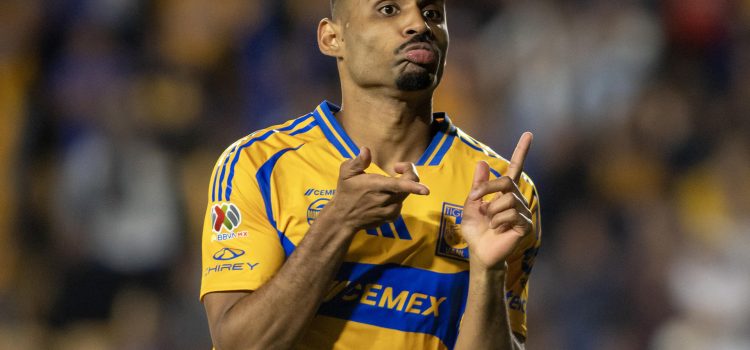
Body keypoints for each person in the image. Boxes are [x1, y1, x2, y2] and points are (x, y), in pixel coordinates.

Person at [200, 1, 541, 349]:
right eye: (389, 9)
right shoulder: (257, 165)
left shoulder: (500, 190)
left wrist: (488, 272)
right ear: (331, 38)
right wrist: (337, 223)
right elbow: (238, 345)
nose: (419, 25)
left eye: (433, 14)